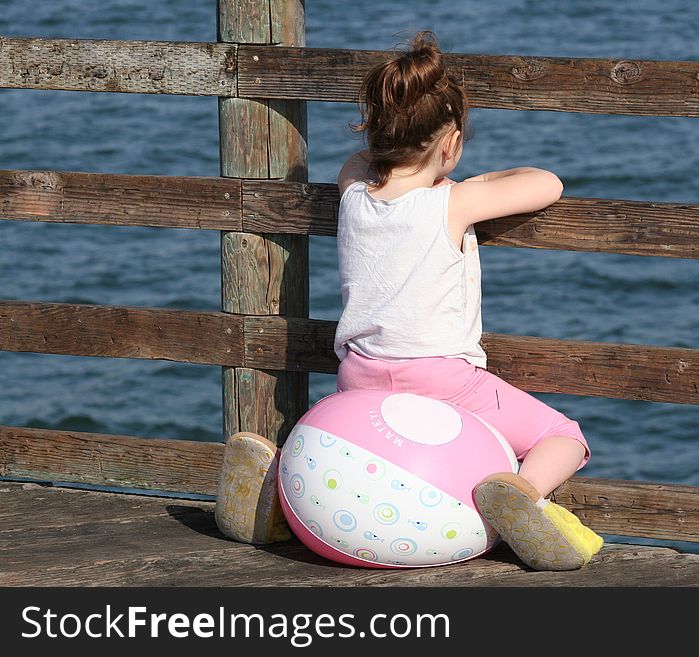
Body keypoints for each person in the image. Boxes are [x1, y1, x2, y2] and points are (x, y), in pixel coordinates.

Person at [215, 30, 603, 571]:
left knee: (349, 455)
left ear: (373, 135)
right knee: (564, 437)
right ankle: (520, 492)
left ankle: (276, 488)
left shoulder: (353, 189)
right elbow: (547, 184)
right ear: (450, 143)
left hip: (359, 376)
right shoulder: (454, 202)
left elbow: (359, 159)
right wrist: (470, 180)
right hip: (442, 379)